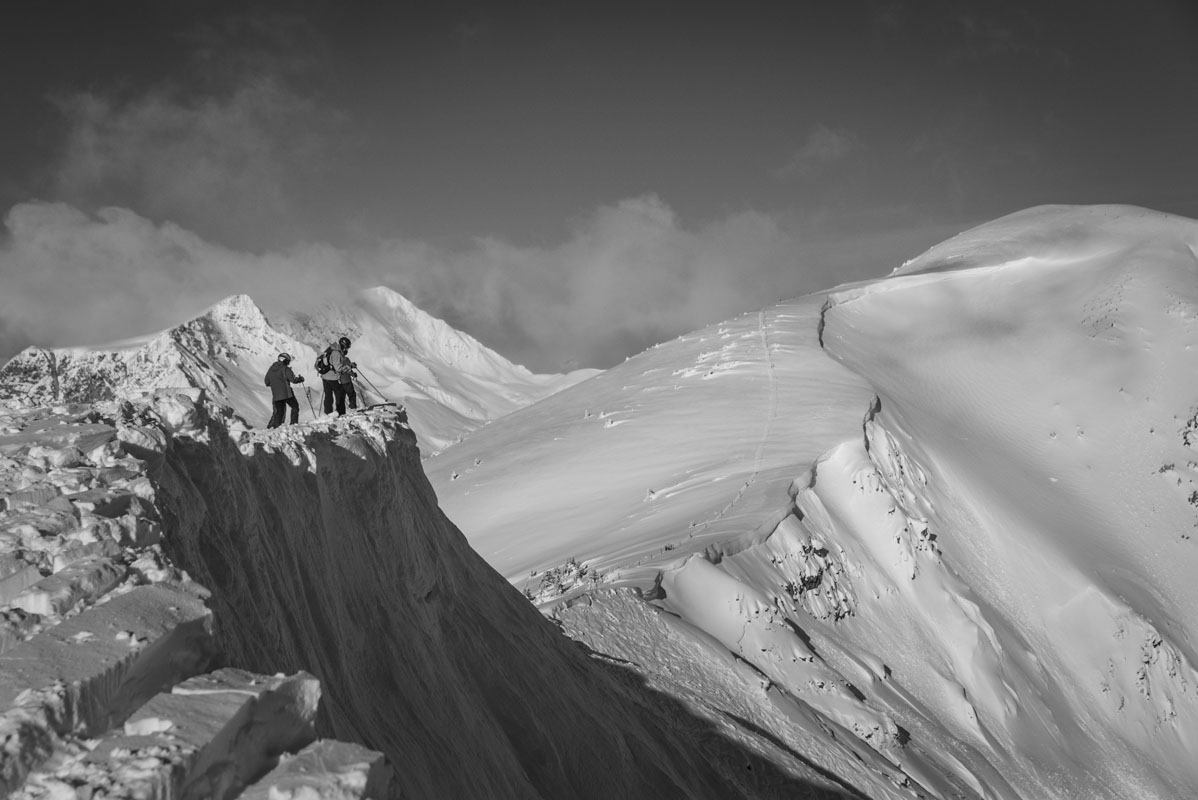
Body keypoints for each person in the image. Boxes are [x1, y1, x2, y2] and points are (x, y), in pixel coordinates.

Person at [321, 336, 359, 416]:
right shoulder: (337, 353)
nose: (346, 350)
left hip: (325, 377)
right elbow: (338, 368)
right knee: (340, 396)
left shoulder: (330, 350)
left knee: (328, 396)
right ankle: (341, 413)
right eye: (346, 348)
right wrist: (350, 367)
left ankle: (328, 414)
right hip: (333, 378)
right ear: (344, 346)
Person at [265, 353, 305, 428]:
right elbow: (293, 380)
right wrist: (300, 379)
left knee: (279, 412)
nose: (288, 363)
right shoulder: (286, 369)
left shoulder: (271, 369)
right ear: (284, 360)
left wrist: (276, 384)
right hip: (287, 394)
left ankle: (275, 428)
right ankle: (293, 424)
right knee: (295, 406)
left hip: (276, 395)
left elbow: (267, 382)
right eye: (288, 361)